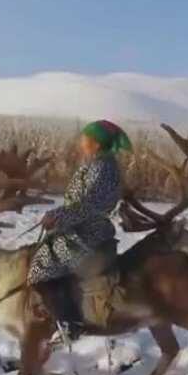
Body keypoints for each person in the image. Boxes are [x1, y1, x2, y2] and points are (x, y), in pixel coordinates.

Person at [27, 119, 133, 335]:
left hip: (89, 232)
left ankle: (69, 324)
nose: (81, 142)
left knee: (41, 268)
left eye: (84, 139)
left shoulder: (102, 167)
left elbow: (91, 204)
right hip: (79, 228)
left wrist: (58, 215)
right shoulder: (98, 163)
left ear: (95, 143)